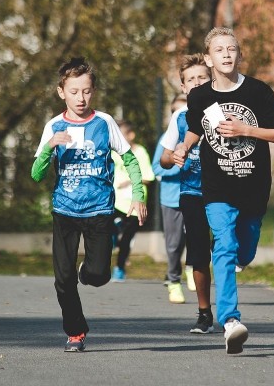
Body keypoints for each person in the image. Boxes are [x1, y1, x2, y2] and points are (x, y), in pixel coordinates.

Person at [172, 28, 274, 354]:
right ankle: (230, 321)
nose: (226, 54)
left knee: (244, 251)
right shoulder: (199, 97)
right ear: (209, 58)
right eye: (219, 49)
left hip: (253, 187)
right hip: (217, 188)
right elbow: (196, 128)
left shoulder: (257, 92)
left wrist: (247, 130)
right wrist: (184, 147)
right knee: (223, 246)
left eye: (232, 49)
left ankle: (241, 263)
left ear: (239, 55)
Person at [31, 57, 147, 352]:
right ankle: (75, 332)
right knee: (63, 279)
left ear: (92, 91)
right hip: (65, 210)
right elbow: (36, 174)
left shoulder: (105, 122)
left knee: (97, 276)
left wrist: (138, 195)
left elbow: (130, 159)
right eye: (73, 91)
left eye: (86, 91)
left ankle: (89, 271)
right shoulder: (54, 126)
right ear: (61, 92)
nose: (80, 98)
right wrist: (49, 147)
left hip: (99, 210)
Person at [159, 57, 215, 331]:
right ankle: (205, 313)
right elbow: (164, 159)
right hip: (191, 191)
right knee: (199, 254)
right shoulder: (179, 118)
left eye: (201, 77)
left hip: (223, 189)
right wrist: (176, 157)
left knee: (227, 248)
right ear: (183, 86)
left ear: (211, 79)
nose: (196, 83)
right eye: (190, 79)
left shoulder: (222, 111)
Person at [150, 95, 188, 303]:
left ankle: (192, 268)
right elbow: (156, 168)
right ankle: (174, 280)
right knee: (174, 244)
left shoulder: (201, 134)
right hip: (172, 198)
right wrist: (179, 167)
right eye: (177, 112)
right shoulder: (167, 139)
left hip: (196, 195)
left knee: (196, 237)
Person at [111, 120, 155, 283]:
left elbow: (149, 178)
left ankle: (120, 268)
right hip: (116, 201)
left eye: (122, 135)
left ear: (131, 135)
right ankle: (115, 232)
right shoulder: (114, 153)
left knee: (126, 240)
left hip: (135, 204)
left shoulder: (140, 152)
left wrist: (130, 181)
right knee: (109, 227)